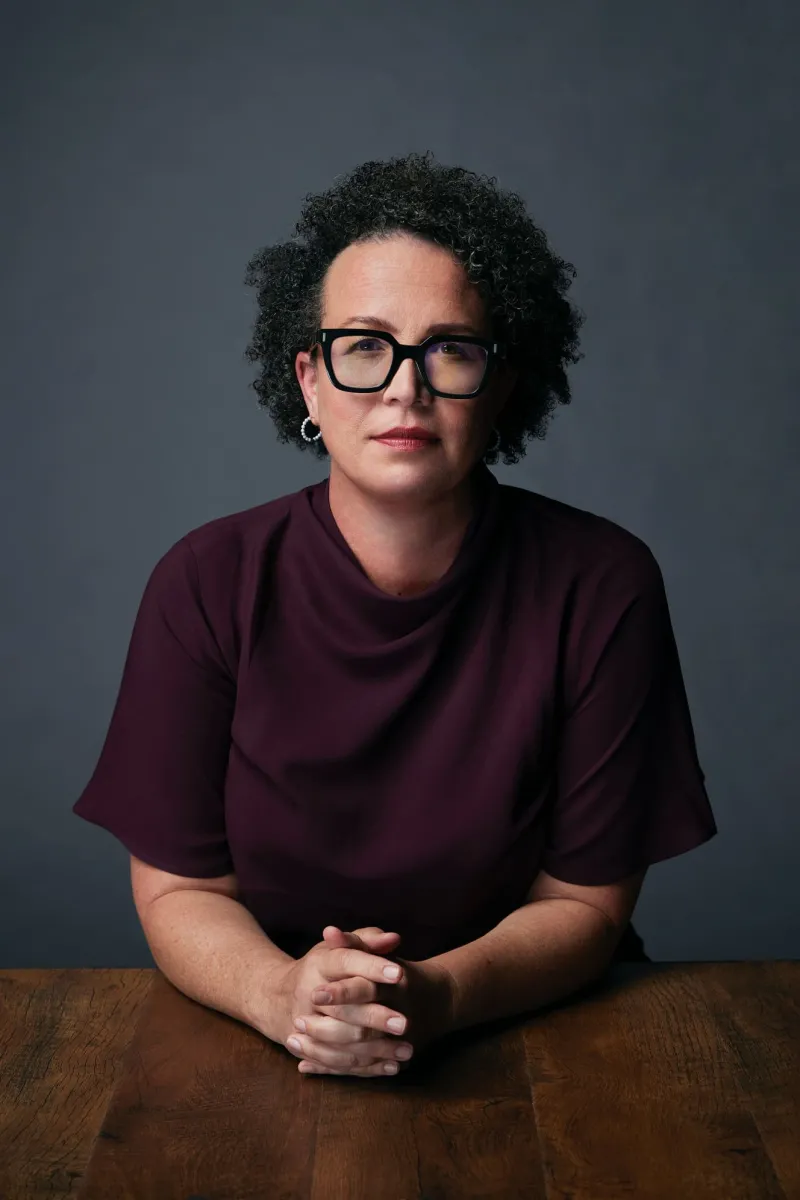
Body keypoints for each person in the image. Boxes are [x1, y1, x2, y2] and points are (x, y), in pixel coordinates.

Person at [73, 152, 718, 1079]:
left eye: (450, 348)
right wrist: (281, 996)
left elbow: (584, 906)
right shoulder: (204, 581)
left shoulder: (601, 582)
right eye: (365, 346)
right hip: (258, 1041)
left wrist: (439, 994)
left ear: (500, 387)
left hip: (538, 1041)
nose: (404, 389)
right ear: (308, 379)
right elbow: (180, 890)